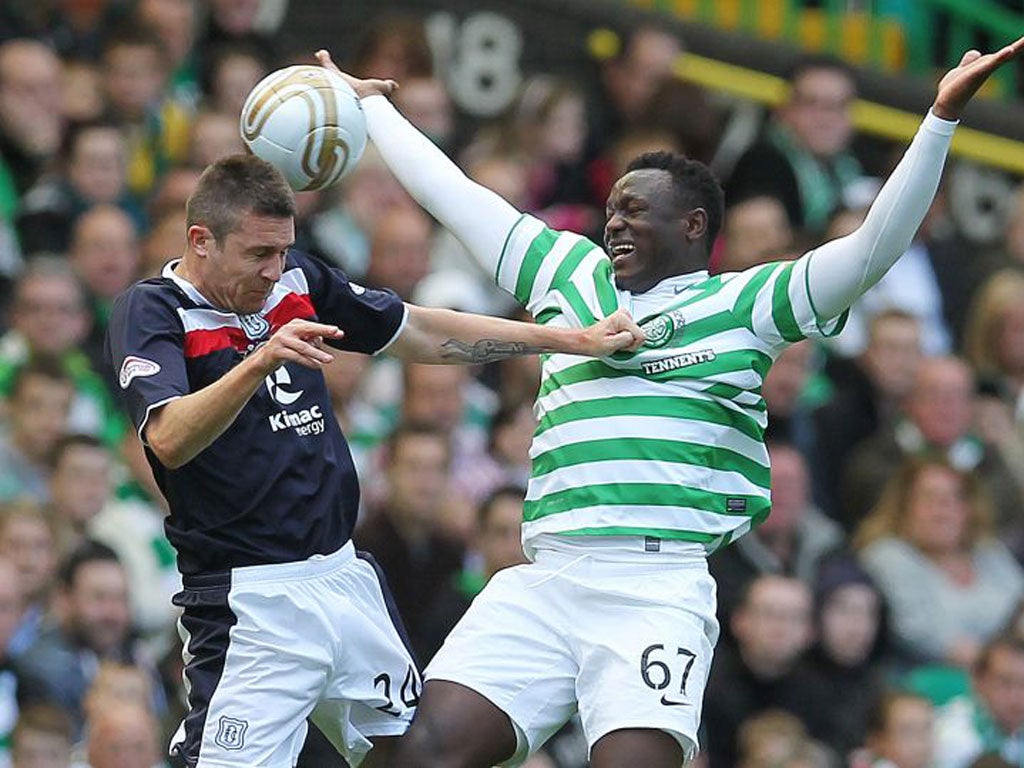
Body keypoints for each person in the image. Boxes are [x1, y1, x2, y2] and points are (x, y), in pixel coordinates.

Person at [316, 33, 1024, 768]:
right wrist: (373, 110)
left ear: (692, 227)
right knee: (422, 754)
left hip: (656, 585)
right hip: (546, 575)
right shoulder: (567, 272)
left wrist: (939, 118)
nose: (613, 222)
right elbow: (456, 197)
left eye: (633, 210)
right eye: (611, 211)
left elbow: (875, 246)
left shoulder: (748, 301)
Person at [104, 153, 643, 768]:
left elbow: (415, 331)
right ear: (201, 241)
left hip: (344, 577)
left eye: (283, 250)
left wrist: (567, 340)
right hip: (252, 604)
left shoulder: (297, 280)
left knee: (424, 753)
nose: (274, 270)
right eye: (258, 255)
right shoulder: (151, 311)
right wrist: (261, 362)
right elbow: (168, 437)